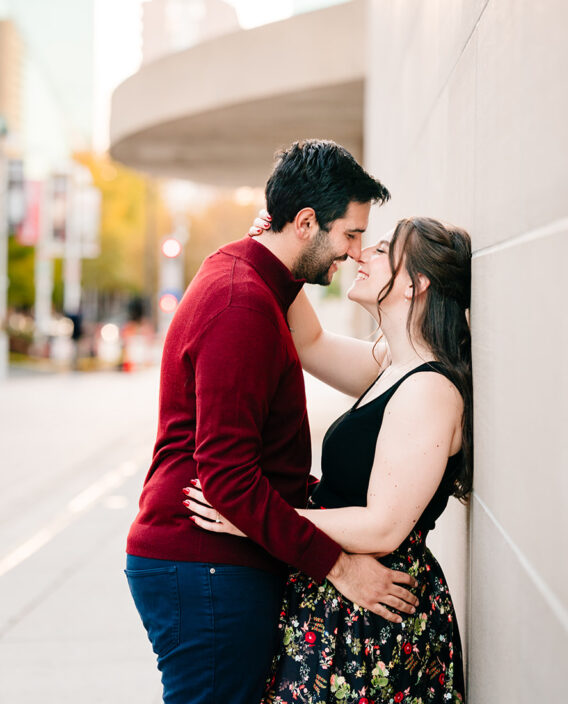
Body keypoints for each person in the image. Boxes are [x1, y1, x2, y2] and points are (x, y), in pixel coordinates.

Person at [125, 140, 421, 704]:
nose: (356, 253)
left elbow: (309, 341)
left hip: (213, 563)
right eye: (350, 235)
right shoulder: (241, 304)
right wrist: (340, 567)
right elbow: (227, 479)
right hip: (206, 564)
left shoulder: (250, 280)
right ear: (306, 222)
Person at [185, 213, 472, 702]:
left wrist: (257, 519)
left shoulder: (429, 390)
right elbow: (308, 342)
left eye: (381, 250)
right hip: (343, 604)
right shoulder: (391, 365)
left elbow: (383, 526)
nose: (361, 254)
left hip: (378, 617)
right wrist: (277, 244)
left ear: (417, 283)